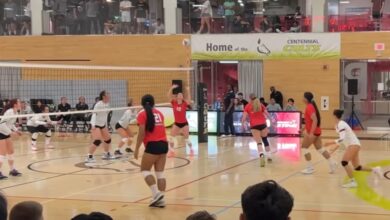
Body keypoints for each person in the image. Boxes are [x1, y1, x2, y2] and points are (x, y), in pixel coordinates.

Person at [324, 109, 382, 188]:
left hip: (353, 144)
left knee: (344, 162)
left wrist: (329, 142)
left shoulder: (341, 124)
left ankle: (353, 182)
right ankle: (375, 169)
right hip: (353, 145)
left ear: (334, 116)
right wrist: (334, 149)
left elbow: (342, 138)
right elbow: (342, 140)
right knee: (357, 167)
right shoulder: (337, 125)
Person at [134, 94, 168, 208]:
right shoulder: (160, 113)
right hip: (164, 144)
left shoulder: (142, 114)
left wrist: (137, 148)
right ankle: (161, 199)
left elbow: (142, 133)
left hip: (153, 145)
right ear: (153, 103)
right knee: (160, 174)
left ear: (142, 104)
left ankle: (156, 193)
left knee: (144, 170)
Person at [301, 92, 337, 174]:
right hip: (317, 131)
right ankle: (332, 163)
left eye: (303, 97)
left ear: (306, 99)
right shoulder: (310, 106)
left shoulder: (309, 107)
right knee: (320, 149)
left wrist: (311, 133)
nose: (302, 98)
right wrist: (302, 129)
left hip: (313, 132)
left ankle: (310, 168)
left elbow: (315, 120)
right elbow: (308, 121)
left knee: (304, 148)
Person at [242, 94, 272, 167]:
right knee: (265, 140)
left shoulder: (248, 106)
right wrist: (271, 121)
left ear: (249, 98)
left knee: (259, 143)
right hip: (263, 124)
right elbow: (268, 114)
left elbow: (244, 118)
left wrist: (243, 124)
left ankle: (261, 156)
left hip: (254, 126)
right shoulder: (260, 105)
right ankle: (269, 157)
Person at [85, 91, 115, 163]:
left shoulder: (107, 104)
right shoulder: (98, 104)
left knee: (108, 139)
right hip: (95, 124)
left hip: (102, 124)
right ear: (104, 96)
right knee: (98, 140)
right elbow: (94, 114)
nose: (109, 96)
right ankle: (89, 156)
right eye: (108, 95)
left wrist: (106, 126)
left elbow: (105, 116)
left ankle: (106, 154)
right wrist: (92, 125)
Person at [167, 85, 192, 156]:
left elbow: (189, 100)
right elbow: (169, 96)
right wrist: (171, 88)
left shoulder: (184, 104)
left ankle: (191, 150)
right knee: (171, 138)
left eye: (182, 95)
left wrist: (188, 90)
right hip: (177, 123)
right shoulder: (174, 102)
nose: (181, 95)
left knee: (186, 139)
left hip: (184, 123)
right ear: (177, 96)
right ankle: (172, 151)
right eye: (179, 94)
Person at [0, 99, 22, 179]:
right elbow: (1, 124)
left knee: (11, 152)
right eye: (19, 102)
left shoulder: (16, 112)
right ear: (15, 104)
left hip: (6, 132)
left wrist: (16, 130)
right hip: (1, 132)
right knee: (2, 154)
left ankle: (12, 170)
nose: (21, 103)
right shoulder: (9, 112)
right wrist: (11, 132)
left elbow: (11, 123)